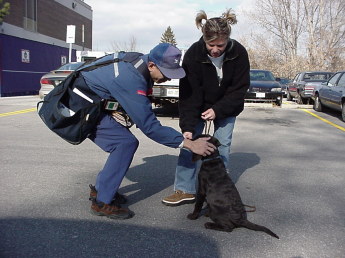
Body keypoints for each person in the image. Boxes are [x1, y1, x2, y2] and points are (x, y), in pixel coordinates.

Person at [81, 43, 216, 219]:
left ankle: (100, 191)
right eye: (166, 74)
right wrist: (190, 145)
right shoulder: (131, 78)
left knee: (125, 142)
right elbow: (150, 127)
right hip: (78, 108)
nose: (168, 79)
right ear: (152, 65)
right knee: (124, 143)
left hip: (90, 103)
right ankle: (101, 202)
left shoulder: (140, 63)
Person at [162, 9, 250, 206]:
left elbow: (239, 89)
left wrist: (218, 110)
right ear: (204, 39)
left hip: (227, 106)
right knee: (190, 142)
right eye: (211, 45)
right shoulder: (193, 54)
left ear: (228, 39)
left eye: (220, 45)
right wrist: (187, 126)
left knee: (223, 144)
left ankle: (219, 188)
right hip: (198, 105)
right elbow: (189, 94)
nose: (215, 49)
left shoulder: (239, 53)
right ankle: (184, 189)